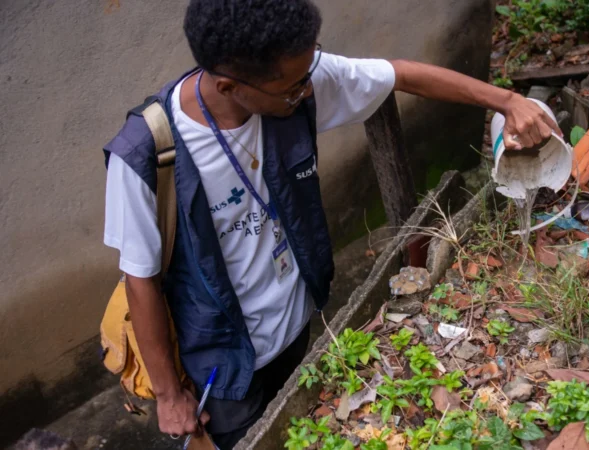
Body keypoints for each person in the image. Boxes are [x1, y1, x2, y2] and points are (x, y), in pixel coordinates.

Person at [102, 0, 561, 448]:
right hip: (224, 367)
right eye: (293, 86)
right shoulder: (148, 155)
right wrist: (168, 394)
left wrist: (506, 101)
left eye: (309, 72)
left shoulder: (294, 79)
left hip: (296, 321)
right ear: (228, 87)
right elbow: (140, 279)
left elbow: (401, 74)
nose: (307, 89)